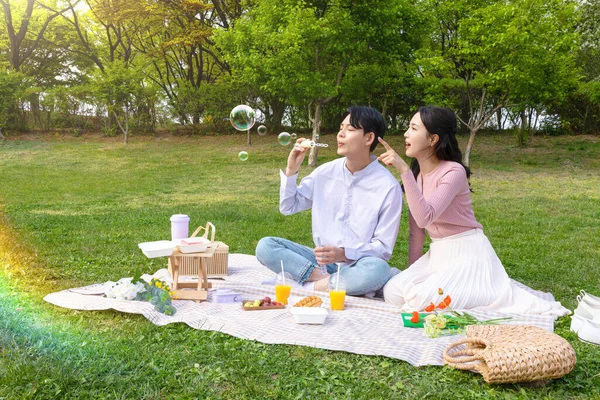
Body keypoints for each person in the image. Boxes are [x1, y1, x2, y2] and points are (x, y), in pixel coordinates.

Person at [378, 106, 568, 316]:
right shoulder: (416, 177)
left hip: (468, 253)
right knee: (393, 292)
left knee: (418, 301)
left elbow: (425, 217)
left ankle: (483, 285)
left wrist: (404, 170)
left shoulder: (453, 172)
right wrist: (413, 274)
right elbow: (417, 232)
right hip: (439, 255)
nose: (406, 133)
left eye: (413, 128)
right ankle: (459, 288)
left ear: (433, 139)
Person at [255, 106, 402, 296]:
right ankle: (326, 283)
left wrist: (344, 253)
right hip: (321, 265)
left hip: (359, 264)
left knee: (378, 269)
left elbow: (383, 249)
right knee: (266, 246)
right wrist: (291, 170)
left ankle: (309, 285)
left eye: (349, 129)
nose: (340, 135)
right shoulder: (325, 172)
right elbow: (288, 206)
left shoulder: (388, 187)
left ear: (369, 138)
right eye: (341, 128)